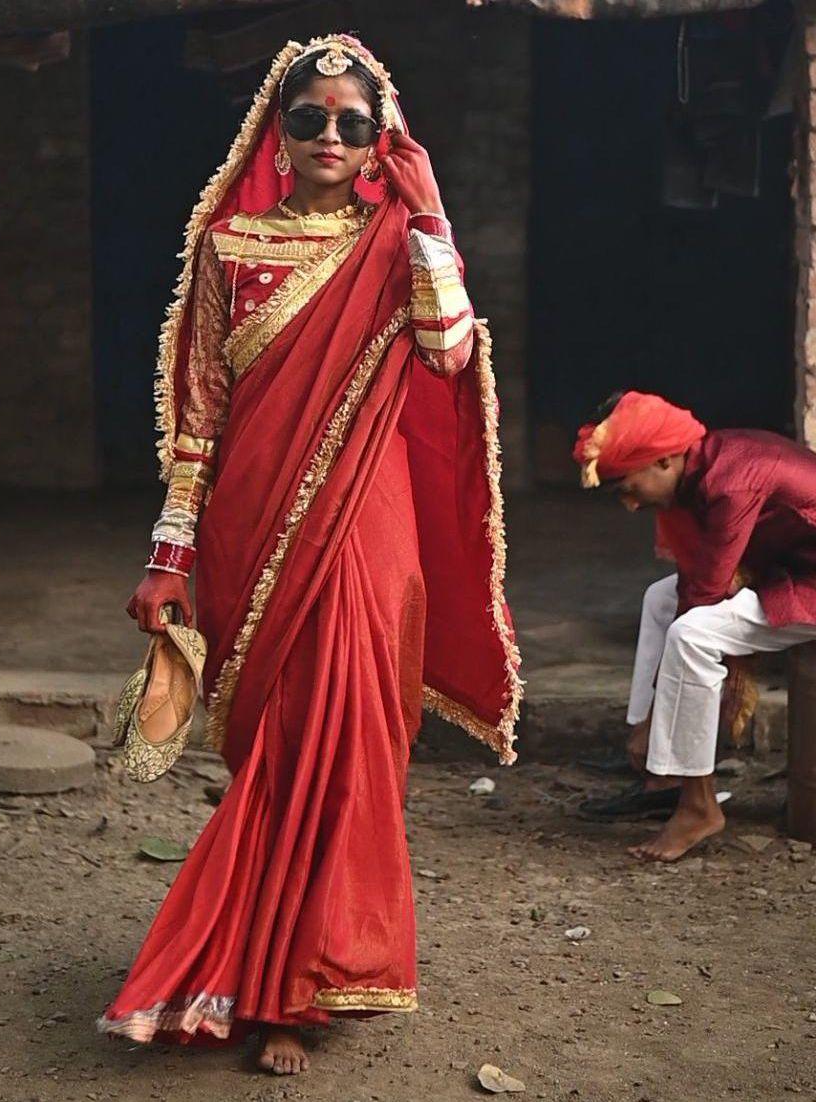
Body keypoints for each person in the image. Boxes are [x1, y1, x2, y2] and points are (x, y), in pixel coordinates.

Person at [98, 35, 521, 1074]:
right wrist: (169, 556)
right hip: (250, 522)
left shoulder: (397, 241)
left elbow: (448, 349)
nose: (330, 135)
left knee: (352, 732)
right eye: (309, 118)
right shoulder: (228, 245)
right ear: (275, 132)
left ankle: (301, 986)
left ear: (381, 140)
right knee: (277, 746)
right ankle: (256, 972)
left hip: (369, 524)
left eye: (353, 123)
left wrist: (429, 213)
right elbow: (199, 413)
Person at [573, 390, 816, 862]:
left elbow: (705, 593)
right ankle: (659, 774)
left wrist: (656, 717)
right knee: (659, 600)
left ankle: (698, 806)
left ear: (665, 461)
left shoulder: (730, 482)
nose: (630, 504)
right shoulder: (708, 463)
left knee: (692, 634)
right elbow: (698, 580)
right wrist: (648, 719)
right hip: (794, 570)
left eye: (627, 487)